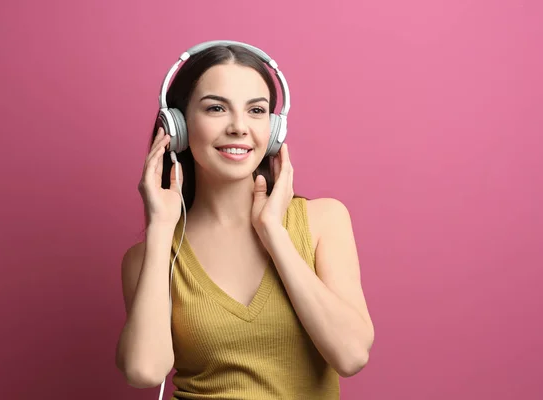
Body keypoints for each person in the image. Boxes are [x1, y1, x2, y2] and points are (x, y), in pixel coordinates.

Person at [115, 42, 374, 400]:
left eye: (256, 110)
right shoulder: (148, 256)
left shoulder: (324, 220)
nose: (239, 127)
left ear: (274, 128)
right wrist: (160, 229)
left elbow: (351, 354)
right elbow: (144, 371)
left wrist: (273, 233)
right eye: (216, 108)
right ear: (178, 126)